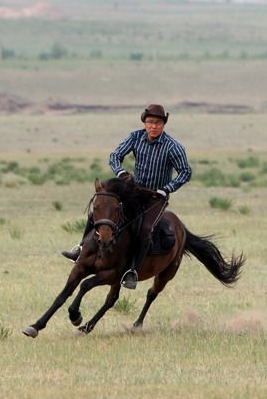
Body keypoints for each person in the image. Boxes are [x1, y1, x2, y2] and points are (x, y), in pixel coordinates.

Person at [62, 103, 192, 289]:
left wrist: (167, 188)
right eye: (150, 122)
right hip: (134, 191)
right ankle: (81, 249)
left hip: (156, 198)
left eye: (158, 122)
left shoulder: (173, 147)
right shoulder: (135, 137)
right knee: (101, 213)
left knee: (145, 229)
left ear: (164, 124)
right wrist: (121, 173)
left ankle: (132, 271)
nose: (153, 126)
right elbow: (115, 156)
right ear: (145, 123)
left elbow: (185, 172)